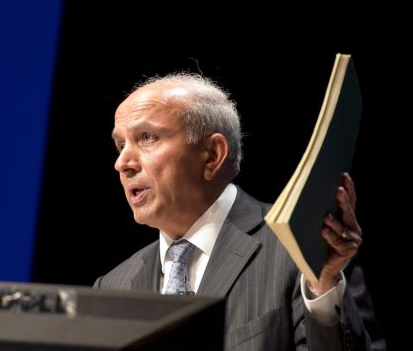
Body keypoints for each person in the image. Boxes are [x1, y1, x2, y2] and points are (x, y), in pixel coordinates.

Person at [94, 72, 385, 350]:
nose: (122, 163)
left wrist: (323, 288)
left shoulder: (300, 247)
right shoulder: (111, 288)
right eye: (120, 144)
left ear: (213, 155)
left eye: (146, 137)